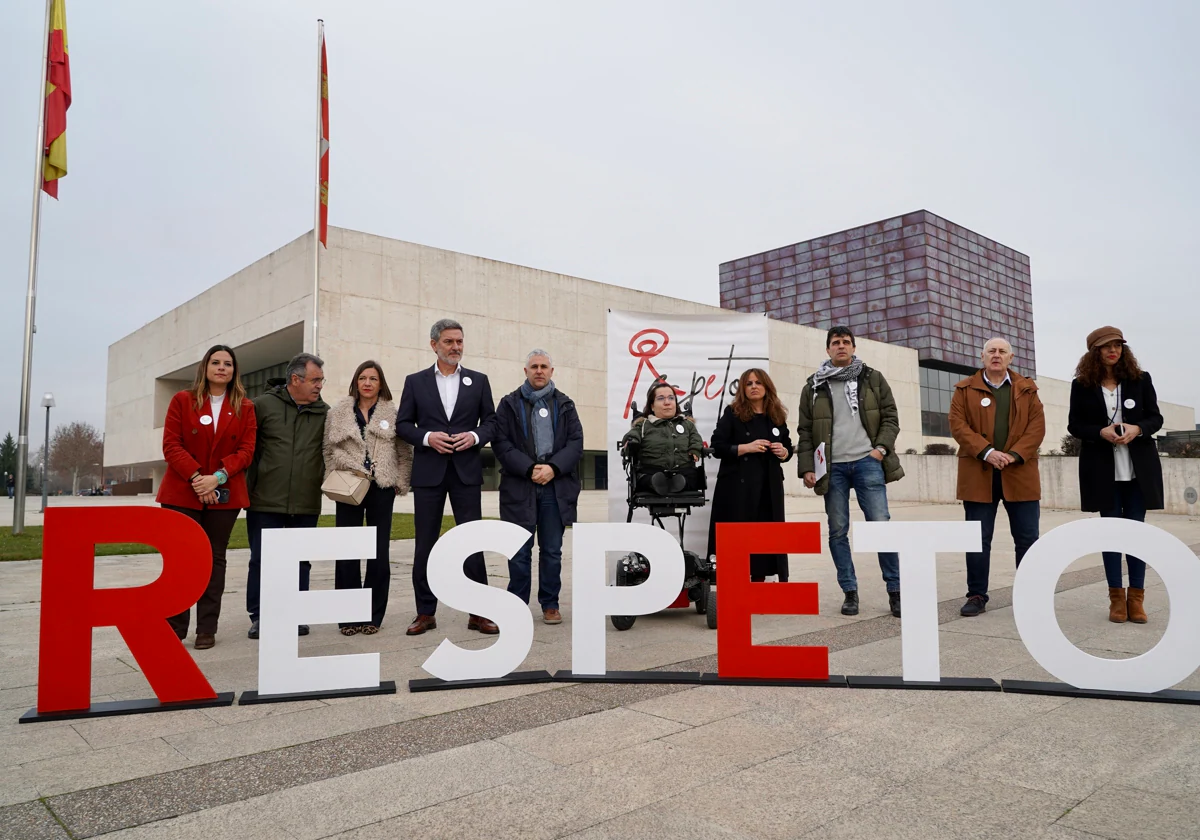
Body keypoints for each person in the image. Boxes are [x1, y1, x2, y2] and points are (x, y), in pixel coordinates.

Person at [396, 319, 498, 636]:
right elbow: (403, 425)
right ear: (434, 344)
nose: (456, 347)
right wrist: (427, 438)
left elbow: (492, 422)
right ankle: (425, 612)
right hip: (429, 474)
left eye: (459, 341)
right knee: (425, 543)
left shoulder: (479, 381)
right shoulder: (415, 382)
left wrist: (475, 436)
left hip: (466, 473)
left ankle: (478, 612)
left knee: (472, 542)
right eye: (449, 341)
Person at [795, 326, 905, 617]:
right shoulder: (814, 386)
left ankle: (895, 591)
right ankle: (850, 592)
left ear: (853, 348)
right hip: (833, 468)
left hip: (868, 461)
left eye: (845, 342)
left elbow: (891, 417)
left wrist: (880, 449)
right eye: (835, 343)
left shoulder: (872, 378)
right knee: (838, 531)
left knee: (881, 525)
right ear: (828, 350)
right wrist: (808, 467)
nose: (841, 346)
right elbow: (805, 430)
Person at [155, 345, 257, 649]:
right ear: (205, 367)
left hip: (224, 493)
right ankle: (175, 627)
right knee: (180, 561)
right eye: (216, 362)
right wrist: (199, 478)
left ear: (234, 371)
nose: (221, 368)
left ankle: (207, 628)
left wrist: (218, 478)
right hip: (183, 492)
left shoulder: (245, 407)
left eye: (228, 363)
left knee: (214, 560)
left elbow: (246, 451)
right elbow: (171, 445)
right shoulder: (182, 401)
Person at [1067, 327, 1164, 624]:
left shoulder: (1140, 379)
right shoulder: (1081, 384)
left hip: (1138, 471)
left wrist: (1138, 428)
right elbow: (1075, 425)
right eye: (1106, 346)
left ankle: (1136, 598)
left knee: (1136, 534)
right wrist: (1100, 431)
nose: (1113, 351)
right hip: (1102, 470)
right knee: (1110, 535)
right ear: (1094, 352)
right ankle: (1116, 599)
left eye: (1117, 346)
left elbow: (1155, 417)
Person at [949, 337, 1045, 617]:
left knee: (1027, 538)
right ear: (982, 357)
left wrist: (1014, 455)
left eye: (1002, 351)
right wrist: (987, 451)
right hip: (979, 473)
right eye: (991, 350)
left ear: (1011, 358)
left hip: (1020, 473)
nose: (996, 355)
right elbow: (957, 425)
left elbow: (1036, 428)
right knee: (977, 539)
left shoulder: (1027, 390)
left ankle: (1031, 593)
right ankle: (977, 594)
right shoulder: (964, 389)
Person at [492, 349, 584, 625]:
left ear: (552, 371)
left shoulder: (565, 404)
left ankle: (550, 604)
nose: (539, 371)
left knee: (552, 551)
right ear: (526, 371)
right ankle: (517, 605)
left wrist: (553, 468)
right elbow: (501, 443)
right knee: (519, 552)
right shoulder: (509, 404)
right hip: (520, 487)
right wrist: (529, 468)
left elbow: (576, 443)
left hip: (555, 489)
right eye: (534, 366)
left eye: (544, 366)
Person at [324, 360, 413, 635]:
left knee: (378, 553)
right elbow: (327, 450)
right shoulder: (338, 413)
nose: (367, 383)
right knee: (347, 552)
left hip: (381, 488)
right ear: (356, 381)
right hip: (349, 486)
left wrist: (401, 481)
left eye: (373, 378)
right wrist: (332, 476)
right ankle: (347, 617)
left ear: (380, 383)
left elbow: (404, 451)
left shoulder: (392, 413)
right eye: (363, 377)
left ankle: (372, 616)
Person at [245, 352, 329, 639]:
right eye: (315, 380)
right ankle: (259, 615)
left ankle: (296, 613)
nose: (320, 385)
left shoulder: (325, 412)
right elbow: (247, 451)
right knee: (262, 559)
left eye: (321, 380)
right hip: (265, 499)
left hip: (306, 501)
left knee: (300, 560)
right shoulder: (261, 406)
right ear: (296, 379)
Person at [708, 369, 793, 582]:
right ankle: (735, 583)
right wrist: (746, 447)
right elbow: (717, 447)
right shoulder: (733, 413)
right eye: (748, 384)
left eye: (758, 382)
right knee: (738, 536)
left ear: (766, 386)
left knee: (764, 536)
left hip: (769, 487)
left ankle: (759, 582)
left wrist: (784, 452)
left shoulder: (776, 415)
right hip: (737, 487)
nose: (754, 386)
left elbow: (789, 447)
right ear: (743, 390)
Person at [621, 380, 703, 494]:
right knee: (647, 479)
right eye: (661, 398)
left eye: (671, 398)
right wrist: (631, 441)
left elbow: (696, 438)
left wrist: (695, 448)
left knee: (690, 478)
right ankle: (657, 483)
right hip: (652, 471)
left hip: (683, 471)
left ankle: (678, 484)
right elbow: (632, 435)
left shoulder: (687, 424)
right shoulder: (643, 425)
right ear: (652, 406)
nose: (667, 402)